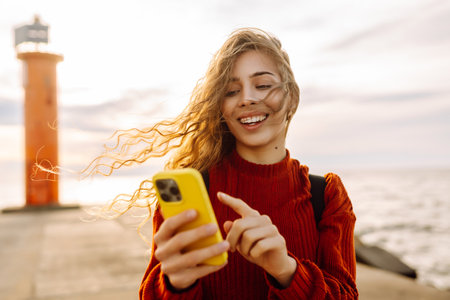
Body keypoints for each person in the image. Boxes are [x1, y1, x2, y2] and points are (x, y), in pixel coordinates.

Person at [89, 27, 358, 299]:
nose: (247, 99)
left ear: (291, 99)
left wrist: (286, 270)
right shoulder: (186, 191)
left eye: (263, 85)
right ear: (221, 108)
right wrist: (174, 285)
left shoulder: (326, 195)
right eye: (231, 91)